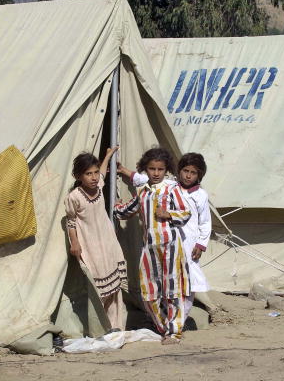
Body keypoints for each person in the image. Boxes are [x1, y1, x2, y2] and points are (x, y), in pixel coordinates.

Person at [119, 153, 211, 324]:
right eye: (185, 171)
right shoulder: (169, 185)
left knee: (189, 284)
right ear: (178, 171)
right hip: (169, 243)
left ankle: (179, 321)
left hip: (189, 244)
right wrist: (123, 170)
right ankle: (166, 320)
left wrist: (201, 243)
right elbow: (143, 180)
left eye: (193, 173)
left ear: (199, 175)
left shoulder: (200, 195)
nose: (188, 176)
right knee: (166, 282)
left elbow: (205, 223)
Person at [114, 148, 191, 345]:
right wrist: (114, 203)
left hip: (170, 245)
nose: (156, 173)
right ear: (145, 170)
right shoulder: (142, 192)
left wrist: (169, 214)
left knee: (171, 289)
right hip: (149, 247)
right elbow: (125, 211)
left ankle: (174, 332)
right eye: (151, 169)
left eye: (160, 169)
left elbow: (185, 213)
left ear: (166, 170)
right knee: (149, 291)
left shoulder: (172, 189)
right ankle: (163, 326)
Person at [65, 147, 126, 332]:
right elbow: (71, 221)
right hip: (90, 244)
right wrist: (74, 243)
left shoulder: (98, 185)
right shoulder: (74, 197)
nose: (93, 177)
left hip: (107, 240)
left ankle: (115, 324)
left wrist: (107, 155)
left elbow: (103, 171)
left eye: (94, 173)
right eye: (88, 174)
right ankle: (100, 327)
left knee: (114, 284)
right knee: (99, 284)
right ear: (78, 176)